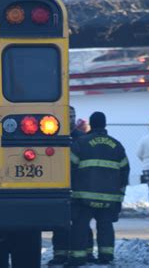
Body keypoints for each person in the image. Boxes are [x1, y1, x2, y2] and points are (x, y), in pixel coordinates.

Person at [66, 112, 129, 267]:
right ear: (105, 124)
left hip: (83, 196)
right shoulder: (117, 145)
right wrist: (119, 195)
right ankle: (106, 256)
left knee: (80, 225)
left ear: (92, 125)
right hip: (109, 197)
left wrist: (71, 190)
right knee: (105, 225)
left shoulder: (81, 143)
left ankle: (78, 257)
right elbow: (125, 170)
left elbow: (70, 167)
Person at [48, 107, 95, 265]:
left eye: (73, 116)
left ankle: (87, 252)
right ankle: (60, 254)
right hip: (59, 186)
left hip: (79, 186)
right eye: (68, 116)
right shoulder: (52, 137)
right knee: (60, 222)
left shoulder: (82, 138)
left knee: (82, 222)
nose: (71, 119)